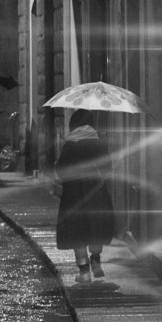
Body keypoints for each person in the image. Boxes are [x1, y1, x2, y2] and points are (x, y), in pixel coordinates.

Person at [55, 108, 114, 282]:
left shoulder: (70, 144)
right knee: (97, 226)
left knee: (77, 233)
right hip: (96, 192)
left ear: (73, 125)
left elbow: (61, 170)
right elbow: (108, 168)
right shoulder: (99, 143)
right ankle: (96, 260)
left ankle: (84, 271)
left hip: (74, 195)